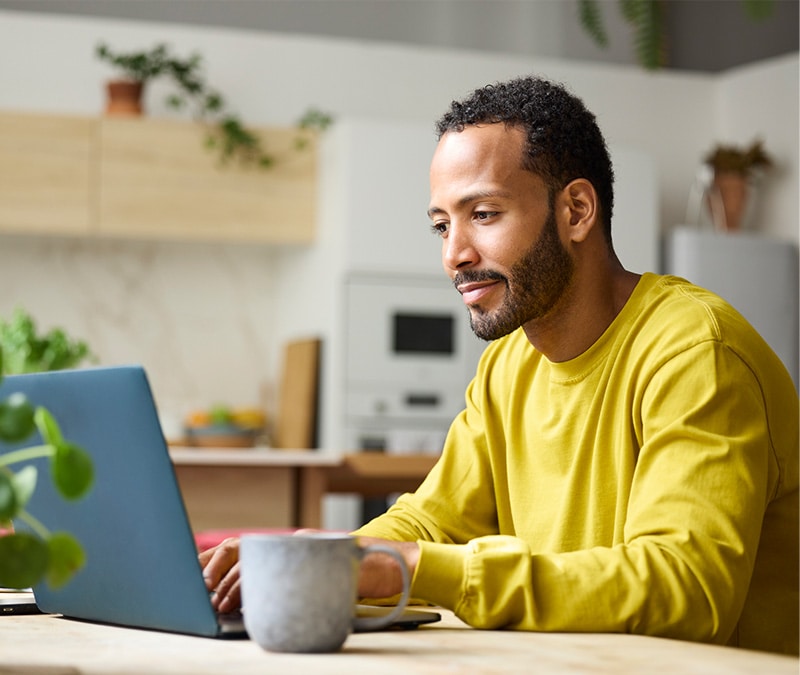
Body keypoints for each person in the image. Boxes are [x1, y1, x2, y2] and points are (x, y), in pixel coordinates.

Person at [200, 75, 799, 655]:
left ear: (577, 211)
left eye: (483, 214)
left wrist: (411, 569)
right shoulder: (510, 363)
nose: (454, 255)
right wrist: (316, 563)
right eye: (442, 225)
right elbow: (432, 523)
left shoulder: (696, 352)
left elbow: (685, 588)